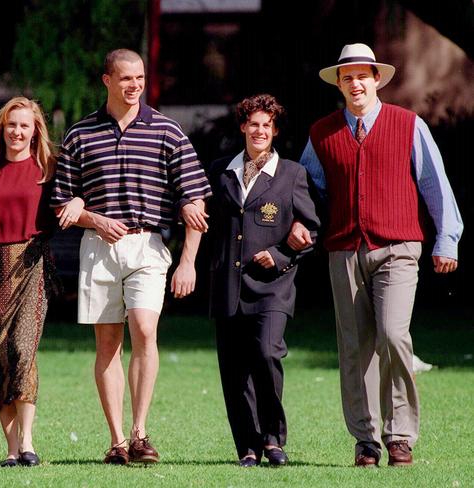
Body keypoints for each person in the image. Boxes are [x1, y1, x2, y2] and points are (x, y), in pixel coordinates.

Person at [291, 43, 463, 467]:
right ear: (340, 85)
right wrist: (298, 225)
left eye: (362, 76)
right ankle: (366, 440)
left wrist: (447, 239)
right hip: (344, 250)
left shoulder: (408, 125)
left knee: (392, 335)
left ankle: (400, 435)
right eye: (347, 77)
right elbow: (306, 191)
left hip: (399, 248)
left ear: (377, 79)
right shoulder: (322, 134)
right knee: (353, 348)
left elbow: (434, 185)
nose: (355, 84)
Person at [51, 48, 211, 465]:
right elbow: (61, 205)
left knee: (143, 329)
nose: (135, 85)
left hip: (147, 245)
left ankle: (141, 433)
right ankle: (117, 441)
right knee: (107, 343)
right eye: (126, 78)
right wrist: (94, 219)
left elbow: (194, 201)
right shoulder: (80, 134)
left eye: (139, 78)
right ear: (107, 80)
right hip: (99, 245)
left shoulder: (168, 131)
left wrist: (188, 261)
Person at [0, 97, 83, 467]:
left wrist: (76, 200)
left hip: (32, 263)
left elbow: (77, 193)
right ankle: (11, 447)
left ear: (35, 130)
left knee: (22, 350)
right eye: (11, 125)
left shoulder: (49, 166)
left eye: (24, 125)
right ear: (3, 127)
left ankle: (28, 442)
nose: (17, 131)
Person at [207, 94, 319, 467]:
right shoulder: (221, 171)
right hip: (227, 287)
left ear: (274, 131)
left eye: (266, 125)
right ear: (243, 127)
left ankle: (273, 438)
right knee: (234, 371)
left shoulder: (292, 175)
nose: (259, 130)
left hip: (273, 287)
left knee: (267, 354)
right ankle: (247, 447)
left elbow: (310, 230)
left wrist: (281, 255)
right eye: (253, 123)